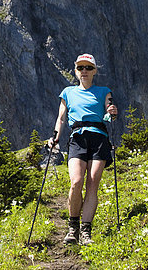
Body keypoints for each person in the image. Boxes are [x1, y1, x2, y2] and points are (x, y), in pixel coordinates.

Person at [49, 53, 118, 245]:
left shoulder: (104, 91)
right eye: (81, 68)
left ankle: (85, 231)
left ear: (95, 71)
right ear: (76, 71)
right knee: (76, 181)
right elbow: (61, 118)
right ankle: (73, 228)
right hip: (78, 137)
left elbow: (109, 110)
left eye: (88, 68)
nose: (84, 71)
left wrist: (112, 112)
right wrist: (55, 136)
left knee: (93, 182)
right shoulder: (68, 92)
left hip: (99, 137)